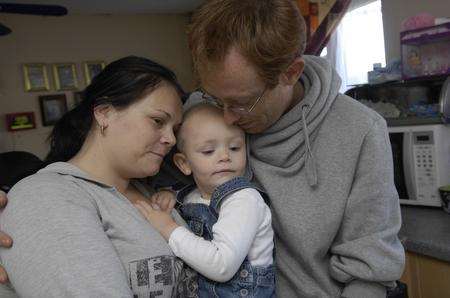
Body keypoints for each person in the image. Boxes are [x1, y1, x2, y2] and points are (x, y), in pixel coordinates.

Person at [0, 0, 405, 297]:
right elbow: (77, 188)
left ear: (290, 73)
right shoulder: (198, 114)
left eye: (241, 104)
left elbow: (369, 272)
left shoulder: (360, 132)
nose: (225, 118)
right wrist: (14, 209)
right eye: (214, 97)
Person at [0, 56, 195, 297]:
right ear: (104, 113)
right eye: (158, 121)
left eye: (174, 129)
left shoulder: (152, 191)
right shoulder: (46, 196)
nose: (171, 139)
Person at [135, 103, 275, 297]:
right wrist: (171, 196)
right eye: (209, 151)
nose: (225, 156)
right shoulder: (191, 196)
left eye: (235, 148)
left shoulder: (244, 200)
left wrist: (169, 229)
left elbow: (222, 266)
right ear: (184, 164)